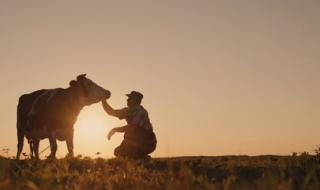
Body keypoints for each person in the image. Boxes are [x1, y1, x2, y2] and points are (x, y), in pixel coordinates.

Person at [101, 91, 157, 159]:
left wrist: (115, 129)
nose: (127, 100)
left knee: (132, 133)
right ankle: (142, 157)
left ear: (136, 100)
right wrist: (103, 100)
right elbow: (111, 112)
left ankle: (141, 157)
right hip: (134, 139)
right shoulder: (127, 111)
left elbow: (132, 127)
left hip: (148, 142)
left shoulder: (141, 112)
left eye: (130, 98)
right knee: (118, 152)